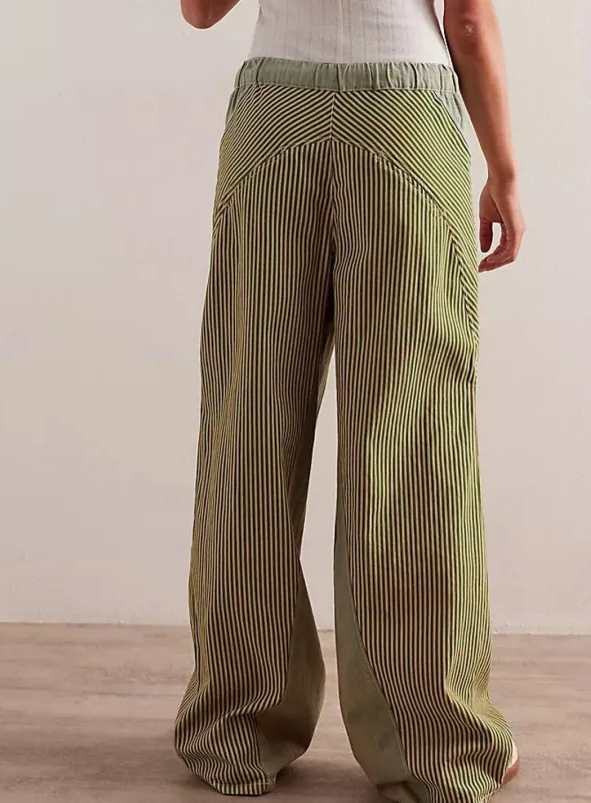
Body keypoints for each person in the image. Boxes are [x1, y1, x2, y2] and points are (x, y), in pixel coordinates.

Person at [174, 1, 526, 801]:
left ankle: (237, 728)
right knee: (413, 439)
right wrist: (504, 172)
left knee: (248, 423)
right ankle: (434, 744)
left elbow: (199, 11)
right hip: (405, 119)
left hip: (274, 118)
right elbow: (470, 23)